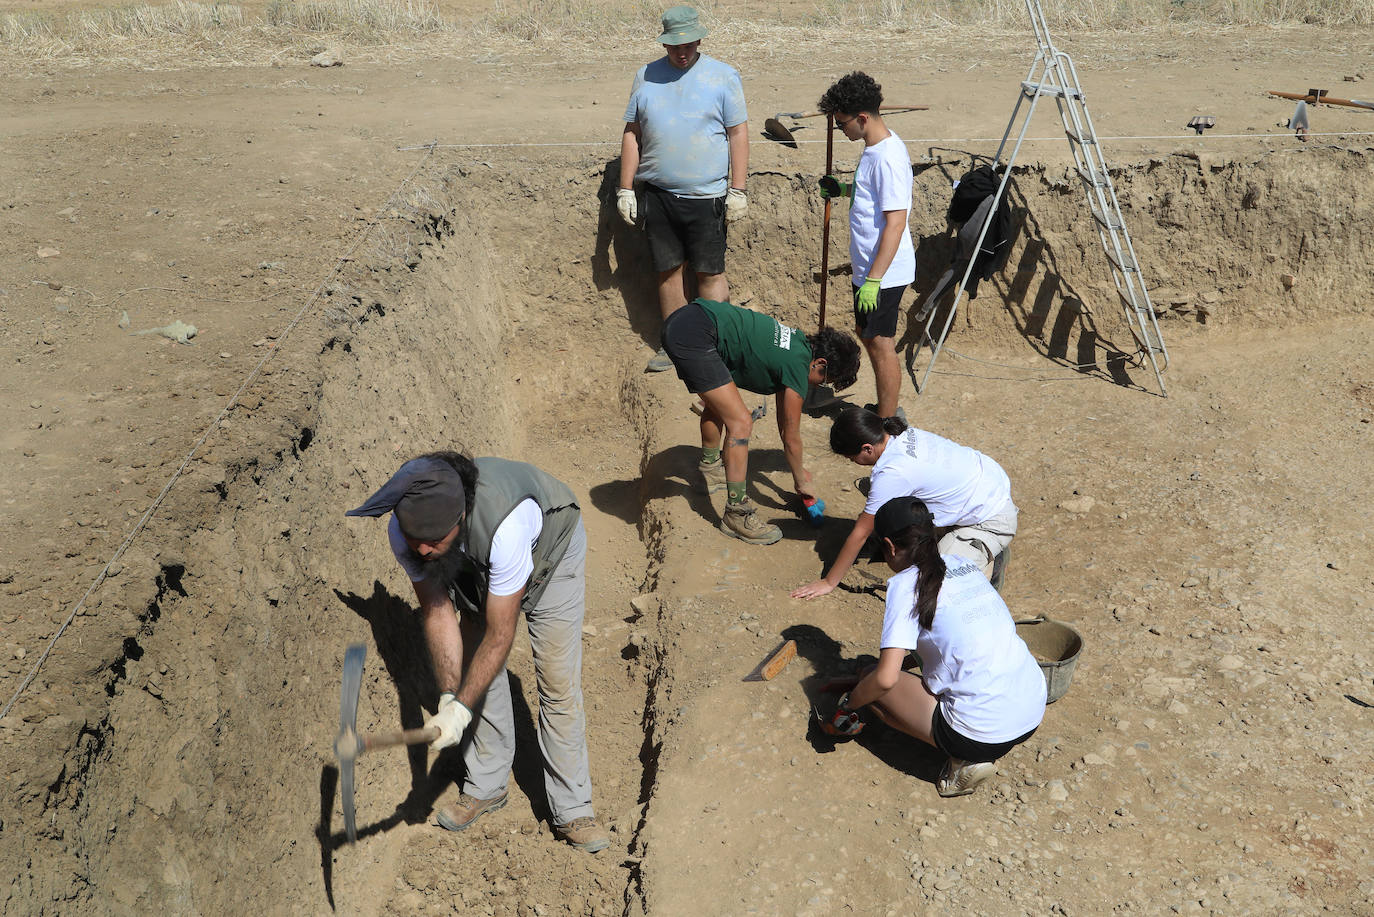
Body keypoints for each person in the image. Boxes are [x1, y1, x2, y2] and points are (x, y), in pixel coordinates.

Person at [345, 452, 609, 853]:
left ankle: (573, 808)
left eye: (435, 542)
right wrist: (452, 696)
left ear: (461, 518)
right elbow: (437, 611)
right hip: (475, 564)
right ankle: (487, 784)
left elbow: (501, 633)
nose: (426, 551)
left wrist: (461, 709)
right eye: (419, 545)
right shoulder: (410, 537)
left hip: (552, 556)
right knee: (471, 670)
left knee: (556, 683)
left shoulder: (506, 526)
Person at [819, 496, 1045, 797]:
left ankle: (963, 763)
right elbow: (950, 642)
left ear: (889, 545)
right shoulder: (963, 564)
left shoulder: (905, 585)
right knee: (872, 676)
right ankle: (972, 744)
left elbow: (885, 680)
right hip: (1031, 709)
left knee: (874, 689)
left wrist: (850, 703)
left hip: (982, 734)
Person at [660, 297, 861, 545]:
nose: (819, 386)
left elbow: (784, 422)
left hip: (687, 320)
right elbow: (791, 436)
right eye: (825, 380)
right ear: (820, 363)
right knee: (741, 423)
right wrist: (801, 481)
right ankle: (736, 513)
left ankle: (711, 469)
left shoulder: (796, 344)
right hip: (695, 335)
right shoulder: (798, 365)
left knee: (722, 403)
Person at [617, 5, 749, 373]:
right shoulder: (645, 77)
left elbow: (738, 133)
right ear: (665, 44)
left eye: (688, 44)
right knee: (668, 271)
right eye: (675, 46)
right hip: (658, 195)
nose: (682, 52)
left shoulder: (723, 77)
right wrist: (625, 189)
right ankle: (677, 346)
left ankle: (716, 346)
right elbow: (633, 133)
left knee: (709, 273)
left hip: (707, 196)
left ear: (699, 39)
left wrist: (738, 189)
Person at [791, 406, 1016, 598]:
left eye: (853, 458)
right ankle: (954, 534)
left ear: (867, 449)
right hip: (983, 484)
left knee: (937, 582)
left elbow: (860, 532)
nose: (854, 463)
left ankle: (987, 560)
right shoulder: (899, 433)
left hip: (990, 517)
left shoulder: (893, 472)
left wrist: (829, 582)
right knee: (879, 498)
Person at [816, 71, 916, 421]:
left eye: (841, 124)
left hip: (884, 273)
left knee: (881, 343)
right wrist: (844, 191)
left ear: (862, 118)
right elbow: (873, 199)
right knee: (867, 334)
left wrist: (874, 279)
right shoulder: (873, 148)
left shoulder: (888, 157)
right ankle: (886, 407)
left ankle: (888, 421)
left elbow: (895, 222)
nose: (840, 131)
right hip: (870, 268)